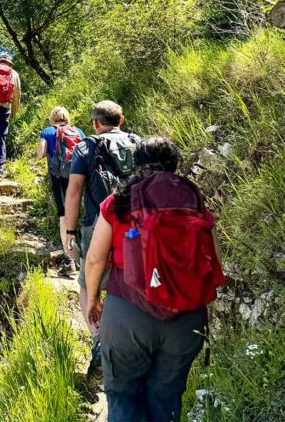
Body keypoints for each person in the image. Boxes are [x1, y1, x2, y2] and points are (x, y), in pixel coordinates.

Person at [85, 136, 224, 422]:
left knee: (123, 396)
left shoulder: (118, 202)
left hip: (128, 312)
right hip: (186, 320)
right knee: (166, 399)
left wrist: (93, 298)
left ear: (137, 163)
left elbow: (96, 258)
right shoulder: (193, 202)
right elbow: (215, 260)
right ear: (174, 165)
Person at [64, 100, 140, 364]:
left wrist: (70, 231)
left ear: (95, 124)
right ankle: (132, 341)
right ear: (122, 119)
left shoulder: (86, 146)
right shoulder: (139, 143)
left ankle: (100, 340)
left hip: (97, 224)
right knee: (131, 282)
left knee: (88, 283)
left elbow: (74, 191)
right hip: (137, 226)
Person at [37, 106, 84, 276]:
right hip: (78, 177)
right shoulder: (78, 131)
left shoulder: (48, 131)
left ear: (52, 118)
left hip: (58, 177)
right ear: (67, 117)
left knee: (64, 216)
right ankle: (82, 257)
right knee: (78, 214)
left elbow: (41, 154)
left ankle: (69, 259)